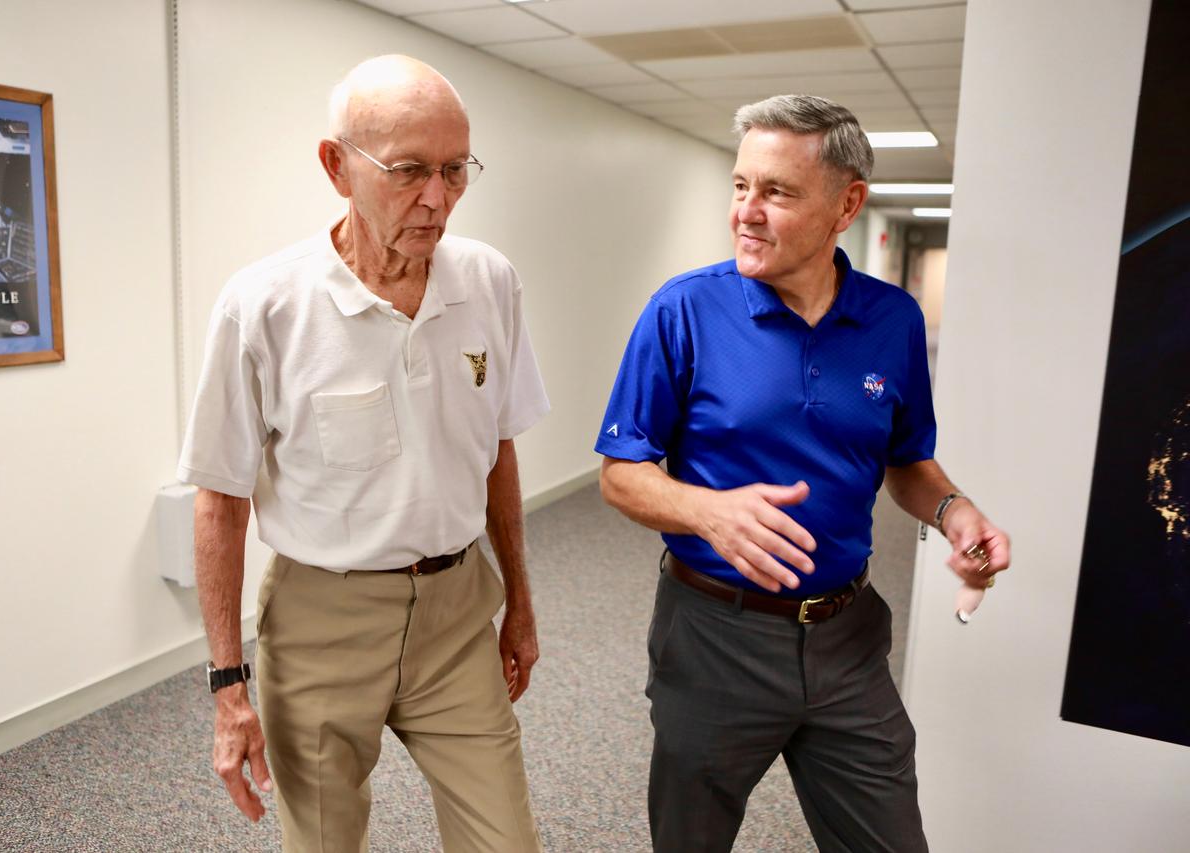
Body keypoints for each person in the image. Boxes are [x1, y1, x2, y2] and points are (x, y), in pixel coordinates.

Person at [595, 94, 1011, 852]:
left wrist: (955, 511)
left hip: (848, 639)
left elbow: (906, 461)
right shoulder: (683, 310)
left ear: (846, 204)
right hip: (715, 635)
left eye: (777, 192)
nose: (746, 212)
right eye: (740, 186)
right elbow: (621, 472)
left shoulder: (893, 320)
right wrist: (708, 510)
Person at [177, 55, 548, 852]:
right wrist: (227, 686)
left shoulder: (489, 281)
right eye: (409, 170)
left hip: (456, 613)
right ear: (336, 166)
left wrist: (519, 599)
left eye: (455, 170)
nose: (437, 198)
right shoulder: (265, 305)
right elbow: (219, 500)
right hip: (322, 624)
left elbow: (497, 451)